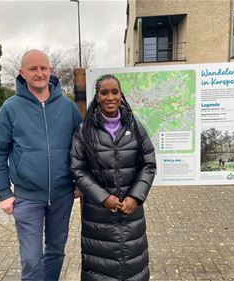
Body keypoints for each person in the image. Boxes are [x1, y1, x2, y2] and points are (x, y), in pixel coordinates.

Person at [0, 49, 82, 281]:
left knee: (56, 251)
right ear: (22, 73)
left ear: (50, 70)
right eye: (33, 69)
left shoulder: (67, 108)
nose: (39, 73)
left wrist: (80, 181)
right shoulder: (10, 108)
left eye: (43, 68)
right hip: (27, 199)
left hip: (62, 195)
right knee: (31, 258)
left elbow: (82, 148)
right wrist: (3, 192)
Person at [70, 74, 157, 281]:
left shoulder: (135, 127)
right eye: (104, 92)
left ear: (121, 95)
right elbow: (77, 168)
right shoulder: (85, 131)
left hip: (131, 215)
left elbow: (149, 164)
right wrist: (103, 197)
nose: (110, 97)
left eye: (114, 92)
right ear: (97, 97)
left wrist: (135, 197)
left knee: (134, 270)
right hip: (98, 217)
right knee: (100, 272)